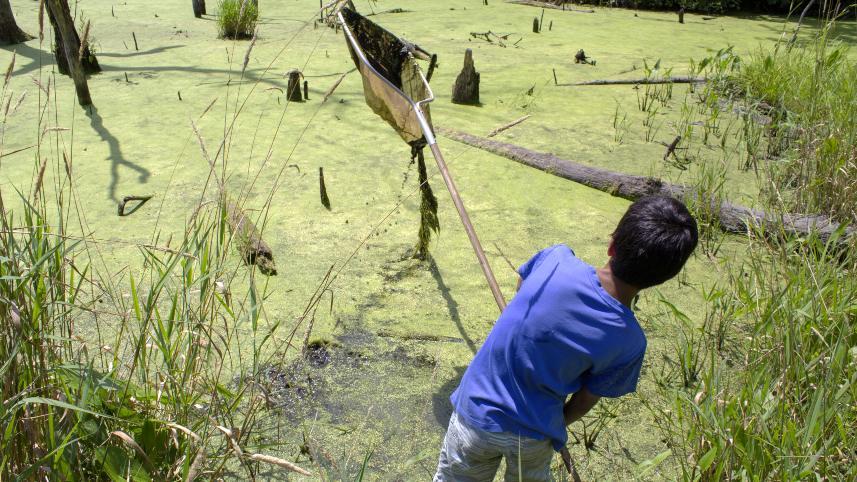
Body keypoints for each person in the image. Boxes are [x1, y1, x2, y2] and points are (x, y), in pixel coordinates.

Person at [434, 196, 698, 482]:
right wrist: (556, 425)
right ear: (663, 279)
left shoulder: (556, 259)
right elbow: (586, 399)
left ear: (612, 244)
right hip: (536, 436)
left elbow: (522, 286)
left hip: (475, 418)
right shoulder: (631, 342)